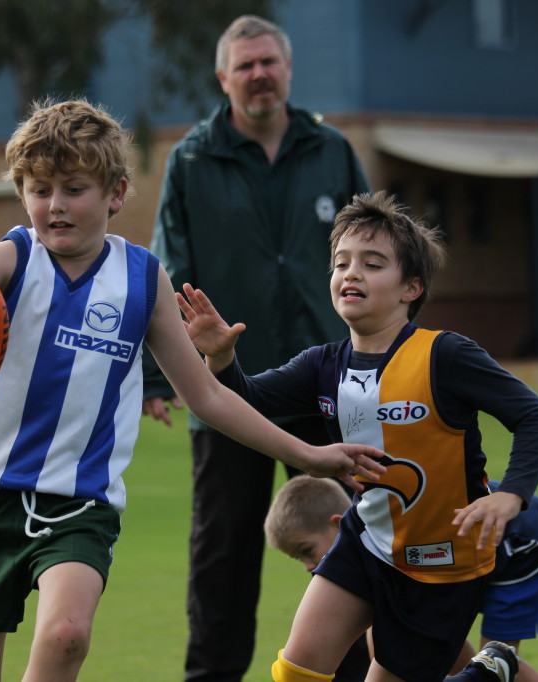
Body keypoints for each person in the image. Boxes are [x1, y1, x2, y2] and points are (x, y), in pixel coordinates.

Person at [0, 99, 386, 682]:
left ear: (115, 192)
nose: (54, 205)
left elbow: (208, 399)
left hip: (81, 504)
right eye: (39, 189)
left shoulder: (141, 279)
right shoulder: (13, 255)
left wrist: (308, 453)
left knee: (65, 636)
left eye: (74, 188)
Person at [176, 190, 538, 682]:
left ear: (411, 288)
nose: (351, 273)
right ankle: (495, 666)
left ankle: (496, 667)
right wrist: (221, 361)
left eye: (372, 264)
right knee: (294, 670)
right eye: (341, 263)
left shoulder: (446, 355)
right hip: (366, 540)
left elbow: (534, 417)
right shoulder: (321, 365)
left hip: (441, 560)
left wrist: (511, 495)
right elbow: (245, 401)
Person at [140, 14, 370, 681]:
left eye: (268, 62)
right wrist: (163, 379)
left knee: (351, 540)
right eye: (245, 66)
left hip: (332, 380)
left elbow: (376, 251)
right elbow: (165, 273)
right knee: (224, 551)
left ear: (288, 69)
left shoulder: (332, 150)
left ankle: (358, 674)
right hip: (226, 386)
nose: (259, 74)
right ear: (223, 77)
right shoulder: (192, 159)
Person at [264, 477, 538, 682]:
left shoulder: (389, 534)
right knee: (471, 660)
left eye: (306, 551)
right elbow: (389, 650)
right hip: (467, 556)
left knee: (496, 661)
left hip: (522, 542)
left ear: (337, 524)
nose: (307, 566)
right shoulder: (375, 553)